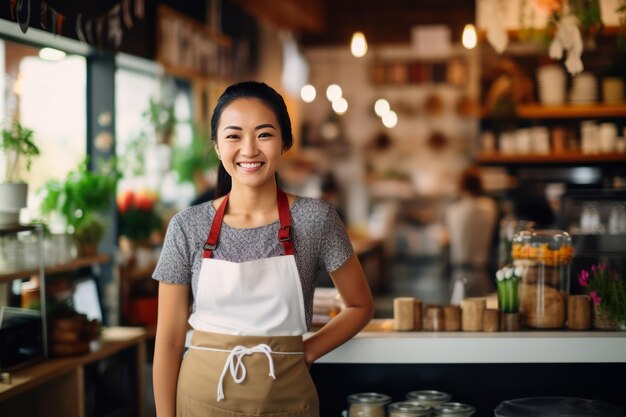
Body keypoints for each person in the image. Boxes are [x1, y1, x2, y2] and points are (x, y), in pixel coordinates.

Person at [152, 81, 374, 417]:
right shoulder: (187, 226)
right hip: (199, 402)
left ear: (285, 142)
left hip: (286, 401)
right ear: (216, 145)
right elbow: (169, 339)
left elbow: (360, 305)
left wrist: (307, 351)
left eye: (264, 134)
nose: (249, 149)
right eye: (233, 135)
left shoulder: (316, 219)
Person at [440, 166, 498, 297]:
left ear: (460, 187)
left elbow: (444, 239)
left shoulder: (453, 210)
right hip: (483, 275)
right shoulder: (490, 207)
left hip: (460, 274)